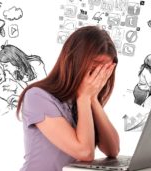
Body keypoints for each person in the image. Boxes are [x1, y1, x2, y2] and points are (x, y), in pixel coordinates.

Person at [16, 26, 120, 171]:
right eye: (95, 68)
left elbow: (112, 150)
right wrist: (84, 97)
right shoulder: (37, 96)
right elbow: (84, 152)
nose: (99, 76)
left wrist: (93, 99)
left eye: (105, 70)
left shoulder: (81, 99)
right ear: (74, 62)